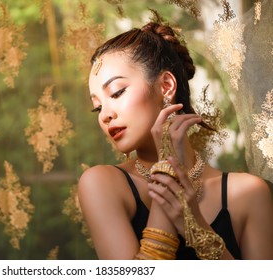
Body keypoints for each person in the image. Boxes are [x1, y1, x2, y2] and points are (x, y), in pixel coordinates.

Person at [77, 20, 273, 260]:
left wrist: (194, 224)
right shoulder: (102, 184)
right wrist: (168, 171)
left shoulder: (249, 193)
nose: (106, 115)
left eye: (117, 92)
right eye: (97, 107)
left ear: (166, 86)